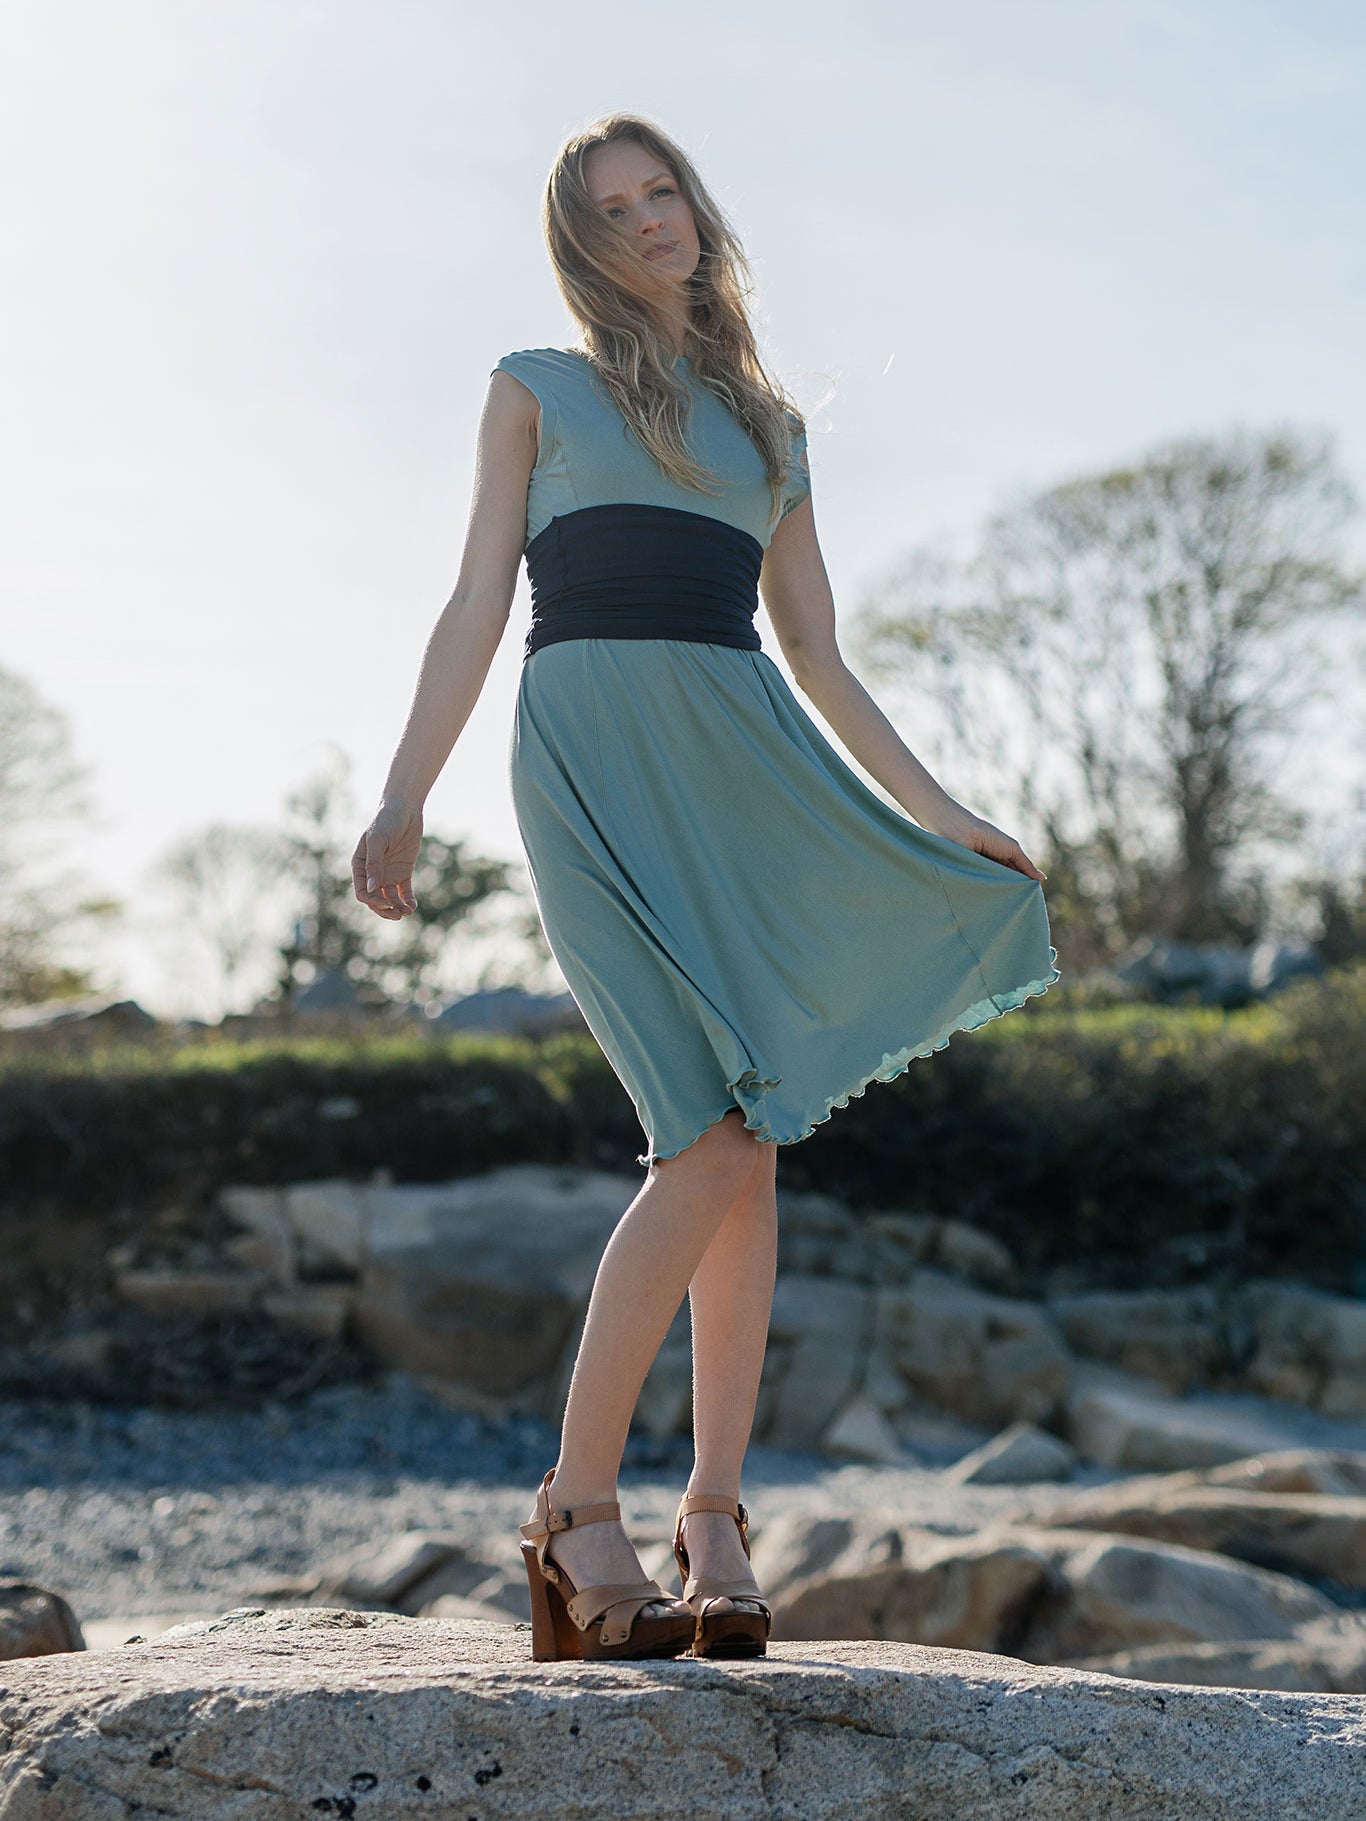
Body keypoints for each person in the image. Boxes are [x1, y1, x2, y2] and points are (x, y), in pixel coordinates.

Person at [353, 111, 1060, 1665]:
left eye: (661, 190)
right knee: (708, 1129)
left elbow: (816, 652)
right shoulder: (531, 390)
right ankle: (577, 1502)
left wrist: (945, 817)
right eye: (612, 208)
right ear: (579, 241)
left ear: (694, 204)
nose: (648, 222)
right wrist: (404, 789)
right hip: (591, 757)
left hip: (743, 766)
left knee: (751, 1134)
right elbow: (477, 596)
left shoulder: (771, 426)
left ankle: (714, 1515)